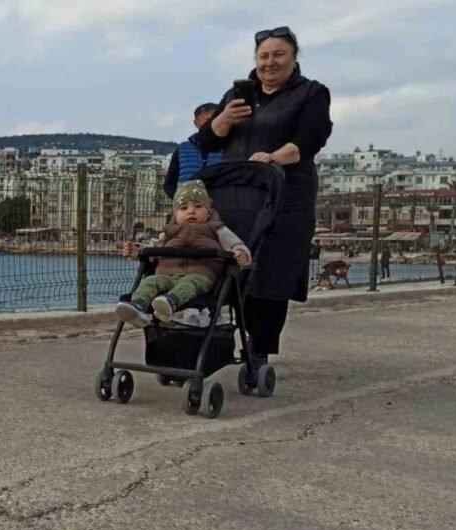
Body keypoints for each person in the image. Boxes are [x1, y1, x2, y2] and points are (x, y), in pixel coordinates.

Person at [198, 25, 332, 365]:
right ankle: (219, 340)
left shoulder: (311, 93)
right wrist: (223, 120)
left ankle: (259, 349)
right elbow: (207, 141)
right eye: (263, 56)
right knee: (230, 266)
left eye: (278, 54)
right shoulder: (238, 94)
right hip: (236, 194)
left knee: (272, 272)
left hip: (285, 194)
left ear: (293, 57)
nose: (270, 62)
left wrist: (274, 157)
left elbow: (311, 138)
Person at [115, 180, 251, 328]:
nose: (191, 211)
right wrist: (136, 251)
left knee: (189, 284)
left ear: (208, 212)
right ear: (176, 214)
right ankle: (138, 305)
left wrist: (240, 253)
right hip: (166, 275)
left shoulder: (216, 229)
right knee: (150, 282)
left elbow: (235, 244)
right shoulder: (169, 232)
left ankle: (170, 301)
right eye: (184, 208)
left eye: (198, 207)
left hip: (200, 275)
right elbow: (153, 249)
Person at [163, 103, 223, 199]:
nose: (212, 124)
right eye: (207, 121)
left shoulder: (230, 146)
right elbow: (169, 184)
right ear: (196, 123)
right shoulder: (183, 150)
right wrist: (181, 200)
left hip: (222, 206)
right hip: (190, 207)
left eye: (215, 119)